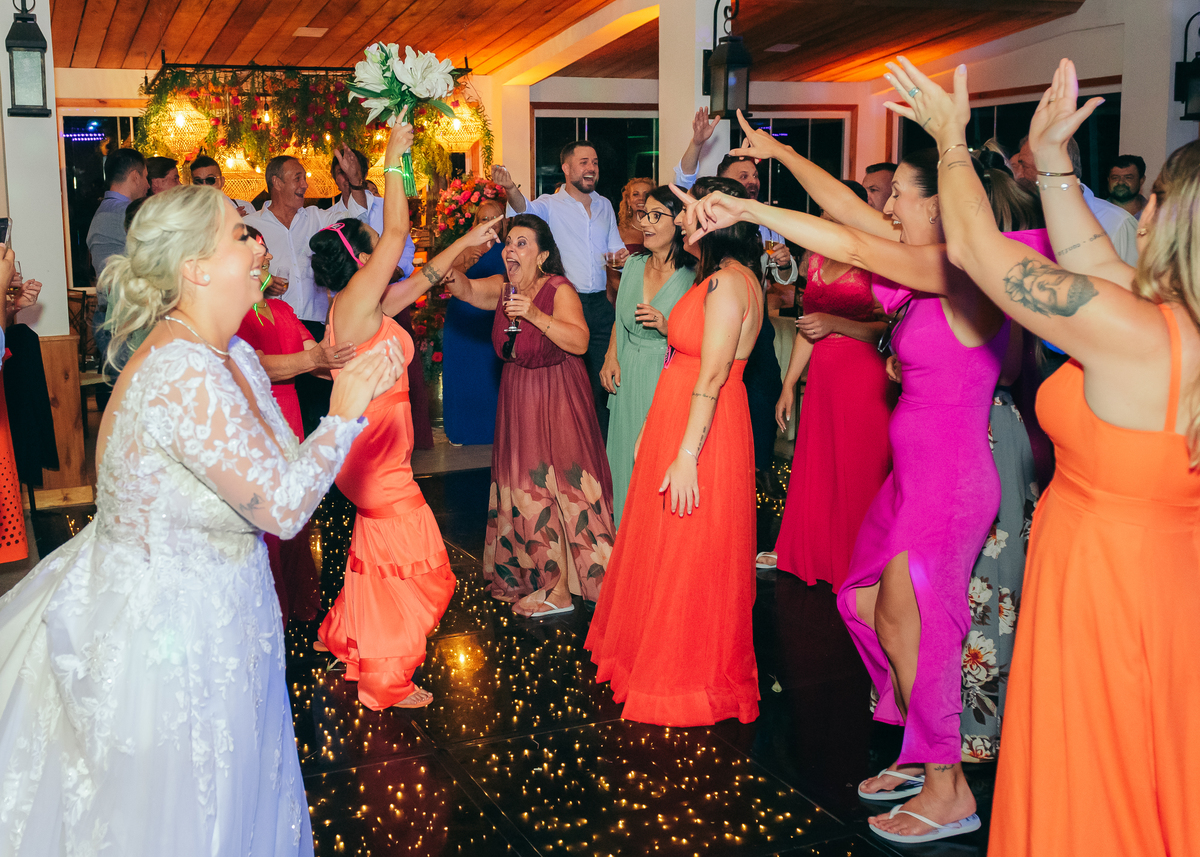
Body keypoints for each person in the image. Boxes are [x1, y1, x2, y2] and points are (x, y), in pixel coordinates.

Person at [688, 109, 1063, 844]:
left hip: (950, 473)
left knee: (915, 618)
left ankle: (947, 783)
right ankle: (920, 747)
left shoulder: (959, 268)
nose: (889, 203)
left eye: (902, 195)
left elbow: (850, 236)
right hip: (912, 469)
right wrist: (778, 157)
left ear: (938, 203)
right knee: (862, 599)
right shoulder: (919, 257)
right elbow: (845, 211)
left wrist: (750, 206)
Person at [0, 183, 402, 856]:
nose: (258, 245)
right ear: (194, 265)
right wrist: (345, 411)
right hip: (170, 634)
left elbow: (282, 470)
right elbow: (281, 507)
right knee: (189, 809)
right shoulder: (182, 371)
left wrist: (340, 402)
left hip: (231, 607)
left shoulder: (235, 356)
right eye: (240, 234)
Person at [895, 55, 1200, 856]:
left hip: (1107, 590)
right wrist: (1057, 164)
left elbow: (974, 247)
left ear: (1168, 214)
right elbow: (1094, 263)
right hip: (1163, 583)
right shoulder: (1166, 323)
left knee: (1101, 785)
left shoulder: (1136, 334)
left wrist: (952, 143)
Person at [310, 122, 499, 708]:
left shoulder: (361, 304)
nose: (386, 244)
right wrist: (394, 156)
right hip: (377, 461)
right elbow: (398, 229)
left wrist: (471, 237)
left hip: (372, 454)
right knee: (422, 566)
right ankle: (384, 678)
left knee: (381, 551)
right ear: (362, 258)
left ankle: (352, 637)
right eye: (375, 243)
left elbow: (426, 276)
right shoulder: (362, 297)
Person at [585, 176, 763, 726]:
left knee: (691, 549)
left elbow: (711, 378)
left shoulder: (728, 285)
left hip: (702, 426)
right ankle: (650, 649)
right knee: (663, 544)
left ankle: (684, 671)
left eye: (687, 211)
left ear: (714, 221)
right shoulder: (712, 279)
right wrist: (653, 429)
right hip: (676, 417)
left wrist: (686, 453)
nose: (677, 219)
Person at [443, 213, 616, 618]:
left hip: (558, 396)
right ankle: (546, 578)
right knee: (526, 488)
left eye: (522, 243)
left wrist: (535, 315)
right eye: (509, 244)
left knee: (562, 486)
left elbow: (580, 340)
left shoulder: (558, 288)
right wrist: (470, 247)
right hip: (518, 396)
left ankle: (567, 588)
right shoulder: (502, 290)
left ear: (542, 255)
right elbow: (458, 285)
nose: (511, 250)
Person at [759, 203, 891, 591]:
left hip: (863, 371)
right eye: (823, 217)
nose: (825, 223)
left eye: (832, 217)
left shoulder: (875, 259)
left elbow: (886, 328)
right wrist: (788, 383)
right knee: (817, 461)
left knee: (857, 465)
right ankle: (811, 551)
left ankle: (857, 560)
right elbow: (807, 326)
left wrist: (835, 323)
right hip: (822, 373)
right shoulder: (814, 261)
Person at [235, 226, 355, 624]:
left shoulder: (284, 311)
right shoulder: (234, 315)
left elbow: (318, 357)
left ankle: (295, 608)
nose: (267, 259)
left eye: (267, 252)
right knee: (265, 521)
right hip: (257, 419)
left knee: (293, 518)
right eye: (259, 252)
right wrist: (315, 361)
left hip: (290, 422)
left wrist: (359, 370)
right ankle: (269, 614)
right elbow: (255, 365)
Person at [492, 142, 627, 439]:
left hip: (601, 305)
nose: (591, 167)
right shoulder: (549, 205)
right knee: (571, 385)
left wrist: (622, 258)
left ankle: (605, 451)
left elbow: (616, 247)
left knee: (606, 382)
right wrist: (510, 188)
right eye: (583, 162)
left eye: (594, 162)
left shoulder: (604, 205)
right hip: (565, 304)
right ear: (566, 169)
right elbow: (523, 209)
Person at [244, 149, 371, 433]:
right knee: (280, 403)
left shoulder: (316, 217)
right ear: (276, 182)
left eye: (305, 178)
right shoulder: (252, 226)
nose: (305, 184)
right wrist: (264, 285)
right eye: (297, 178)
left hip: (314, 326)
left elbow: (356, 215)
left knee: (319, 410)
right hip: (272, 327)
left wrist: (356, 181)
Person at [600, 185, 696, 524]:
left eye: (657, 216)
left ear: (680, 223)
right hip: (628, 372)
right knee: (625, 459)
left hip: (667, 374)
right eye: (644, 215)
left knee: (656, 461)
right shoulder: (634, 265)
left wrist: (668, 327)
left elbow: (705, 336)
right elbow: (619, 318)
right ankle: (624, 538)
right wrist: (612, 355)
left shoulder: (693, 274)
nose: (647, 223)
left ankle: (653, 538)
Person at [1014, 135, 1139, 265]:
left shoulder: (1117, 223)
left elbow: (1134, 282)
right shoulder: (1024, 220)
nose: (1018, 176)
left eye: (1024, 166)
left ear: (1055, 168)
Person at [443, 197, 506, 446]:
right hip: (463, 318)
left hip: (493, 316)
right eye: (484, 219)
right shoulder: (464, 246)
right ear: (475, 223)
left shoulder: (509, 248)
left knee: (491, 374)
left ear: (503, 223)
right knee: (462, 374)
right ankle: (461, 430)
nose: (489, 223)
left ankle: (494, 430)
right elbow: (446, 273)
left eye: (495, 219)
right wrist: (469, 256)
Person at [86, 147, 148, 362]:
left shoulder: (104, 209)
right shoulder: (123, 213)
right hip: (123, 322)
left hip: (111, 317)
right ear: (135, 176)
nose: (149, 185)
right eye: (146, 177)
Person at [329, 148, 417, 277]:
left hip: (392, 288)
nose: (348, 176)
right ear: (335, 178)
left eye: (353, 170)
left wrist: (397, 270)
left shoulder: (386, 207)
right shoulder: (329, 217)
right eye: (341, 172)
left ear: (363, 175)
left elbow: (406, 245)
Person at [188, 154, 256, 215]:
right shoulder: (189, 212)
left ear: (222, 181)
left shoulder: (245, 207)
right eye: (198, 181)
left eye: (210, 180)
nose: (205, 185)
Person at [617, 177, 656, 251]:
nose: (641, 198)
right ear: (628, 200)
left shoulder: (659, 230)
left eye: (646, 194)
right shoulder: (618, 232)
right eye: (636, 194)